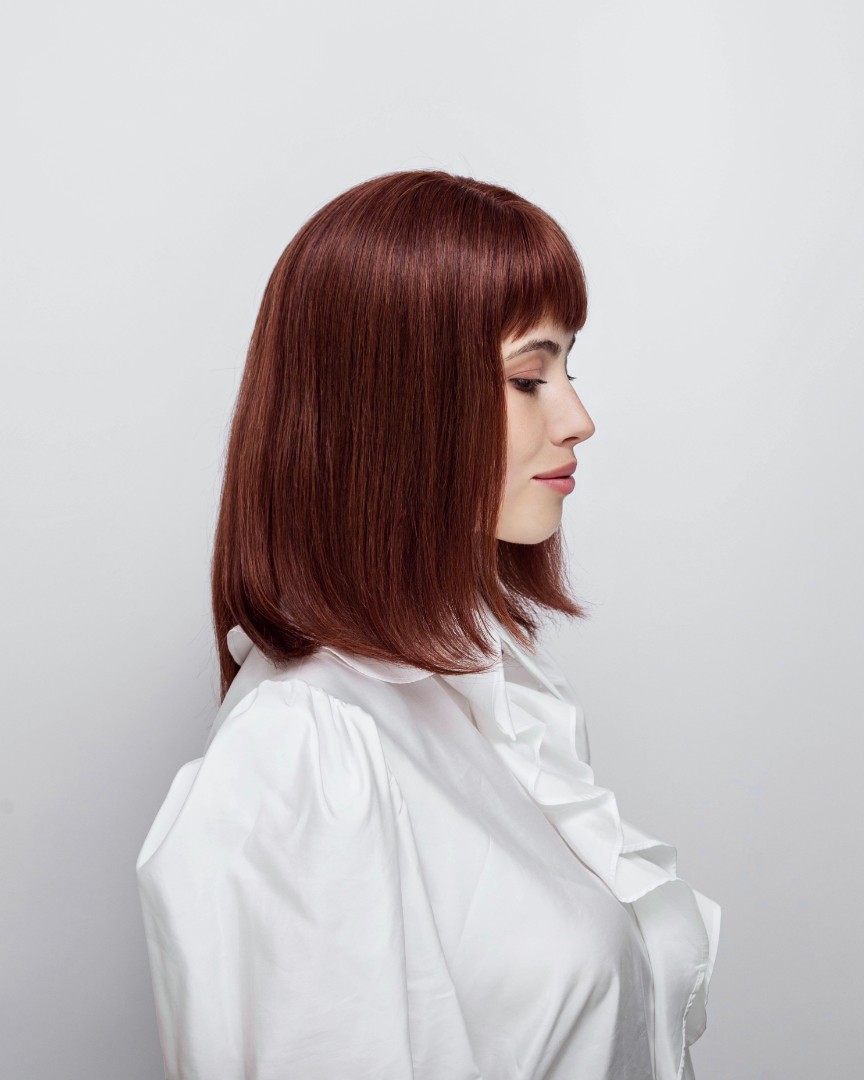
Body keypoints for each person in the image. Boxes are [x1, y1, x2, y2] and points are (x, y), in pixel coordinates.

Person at [135, 169, 720, 1080]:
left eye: (568, 368)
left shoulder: (481, 692)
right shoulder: (304, 756)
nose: (579, 418)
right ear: (393, 408)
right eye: (528, 376)